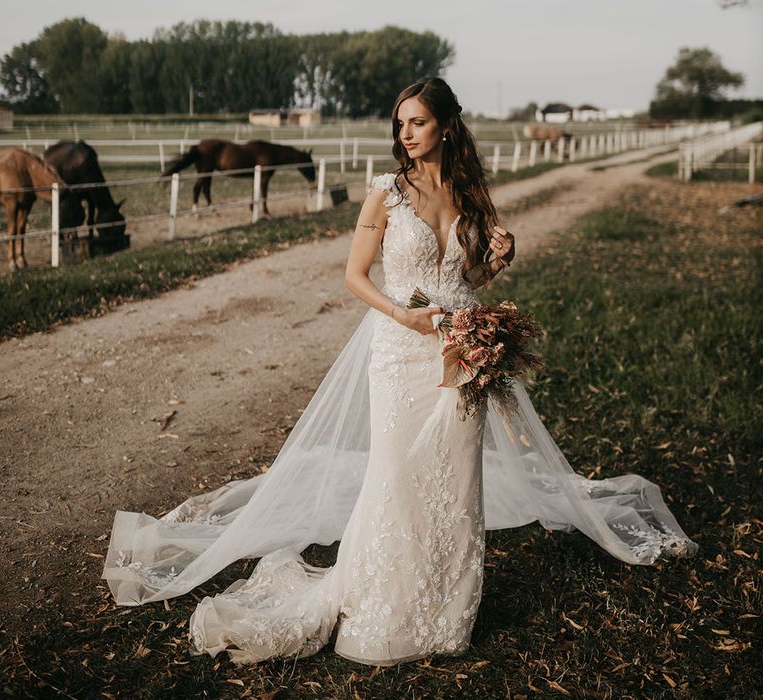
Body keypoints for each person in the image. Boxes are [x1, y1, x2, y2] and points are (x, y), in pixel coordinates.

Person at [103, 77, 698, 666]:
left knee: (457, 483)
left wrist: (499, 260)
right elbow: (355, 276)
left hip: (461, 354)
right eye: (400, 123)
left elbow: (467, 281)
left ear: (446, 124)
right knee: (395, 477)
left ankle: (445, 614)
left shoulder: (471, 192)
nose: (406, 133)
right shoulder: (385, 193)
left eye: (417, 121)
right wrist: (405, 319)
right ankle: (382, 605)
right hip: (399, 351)